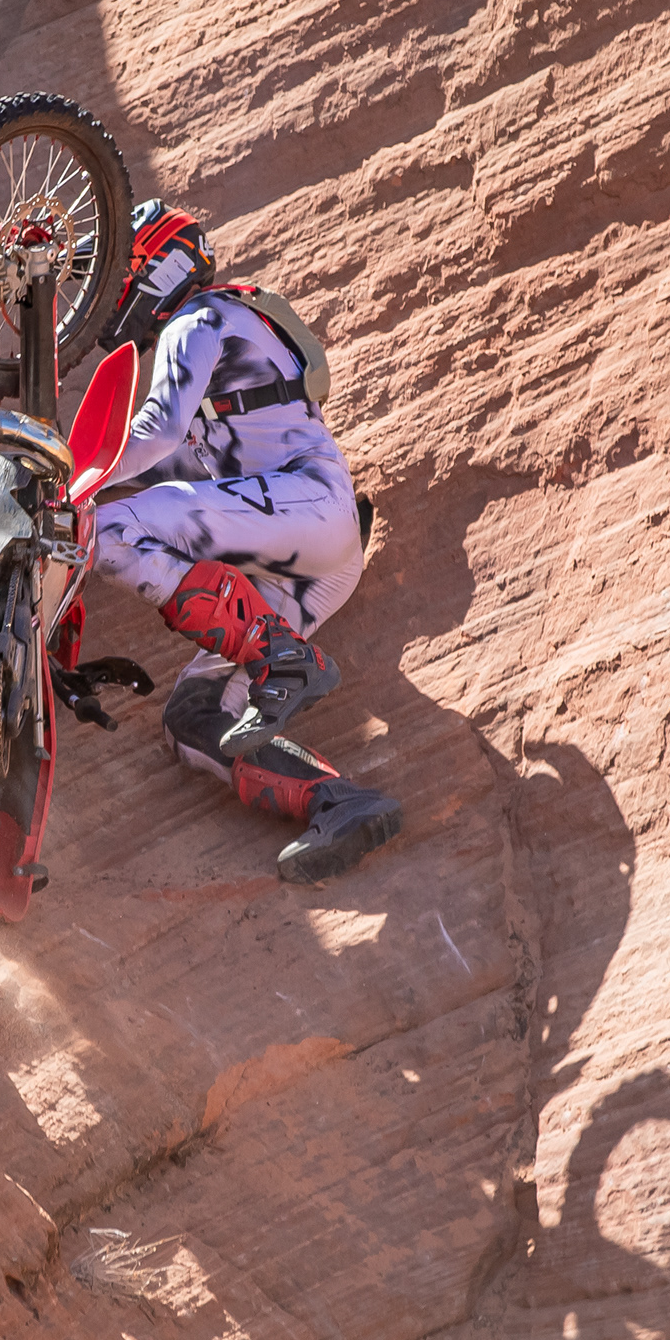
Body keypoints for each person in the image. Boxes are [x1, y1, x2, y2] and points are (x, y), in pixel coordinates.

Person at [77, 200, 402, 885]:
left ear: (160, 268)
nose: (107, 300)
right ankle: (338, 803)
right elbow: (173, 467)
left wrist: (69, 478)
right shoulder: (224, 333)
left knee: (111, 527)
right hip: (309, 558)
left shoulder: (198, 318)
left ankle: (281, 656)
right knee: (192, 717)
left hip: (308, 507)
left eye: (118, 277)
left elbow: (155, 436)